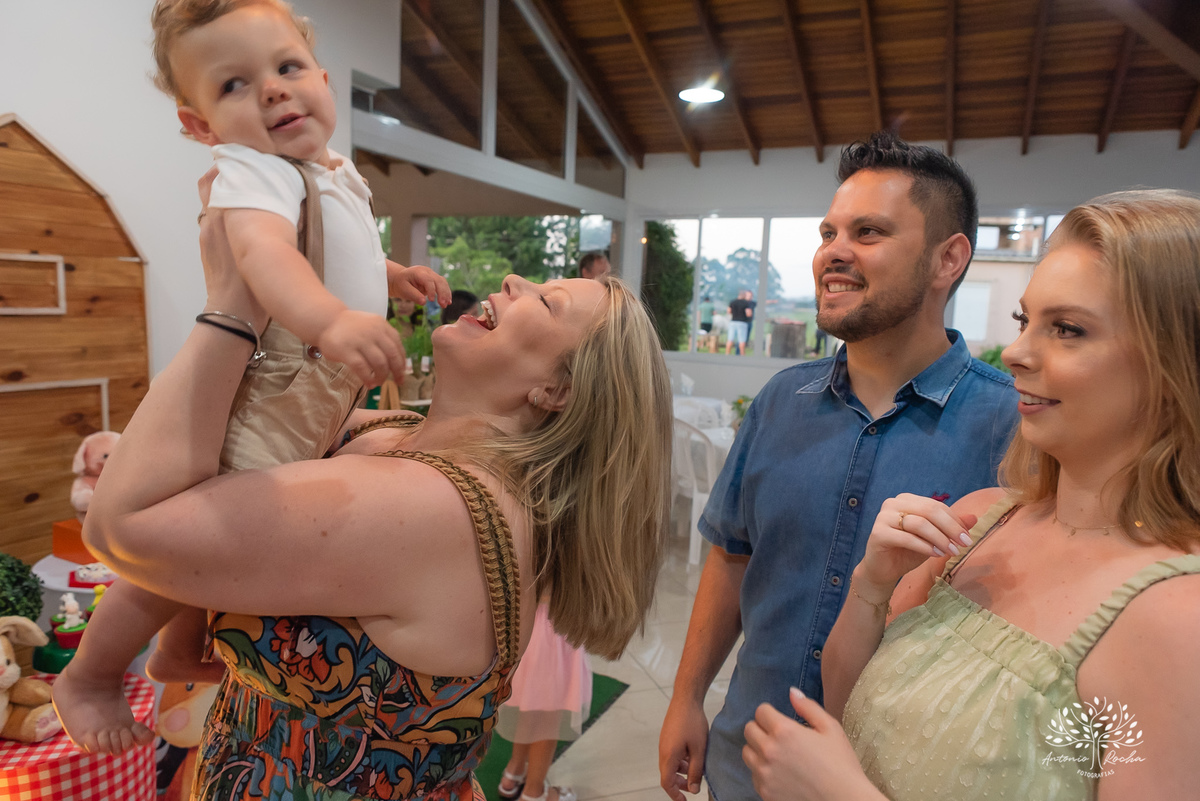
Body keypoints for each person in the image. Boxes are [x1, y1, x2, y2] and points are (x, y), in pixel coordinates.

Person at [67, 161, 672, 798]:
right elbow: (240, 431)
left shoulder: (436, 508)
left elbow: (123, 527)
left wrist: (231, 303)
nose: (513, 278)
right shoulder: (389, 431)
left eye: (547, 301)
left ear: (556, 390)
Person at [52, 0, 452, 755]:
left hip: (316, 399)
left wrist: (390, 276)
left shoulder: (334, 172)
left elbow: (340, 251)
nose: (271, 90)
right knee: (186, 543)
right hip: (270, 393)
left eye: (286, 67)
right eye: (233, 85)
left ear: (324, 80)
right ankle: (93, 673)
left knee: (220, 542)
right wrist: (331, 321)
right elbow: (269, 256)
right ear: (199, 126)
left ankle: (175, 648)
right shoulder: (253, 171)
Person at [743, 189, 1200, 801]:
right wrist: (871, 587)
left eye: (1067, 330)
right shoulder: (982, 518)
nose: (1015, 353)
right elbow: (854, 701)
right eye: (1024, 320)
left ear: (1176, 361)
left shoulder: (1173, 620)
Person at [659, 130, 1018, 801]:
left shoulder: (1013, 427)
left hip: (899, 782)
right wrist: (686, 696)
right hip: (747, 760)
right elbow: (731, 557)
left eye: (869, 231)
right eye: (829, 231)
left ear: (949, 259)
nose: (833, 252)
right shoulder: (778, 402)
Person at [495, 601, 591, 801]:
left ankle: (513, 773)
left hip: (526, 622)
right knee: (549, 716)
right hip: (556, 626)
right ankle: (534, 792)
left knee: (529, 704)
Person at [724, 291, 754, 355]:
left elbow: (728, 311)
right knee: (742, 341)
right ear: (744, 296)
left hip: (733, 322)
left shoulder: (732, 302)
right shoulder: (746, 303)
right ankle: (742, 356)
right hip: (742, 323)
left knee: (730, 339)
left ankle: (727, 354)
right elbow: (749, 314)